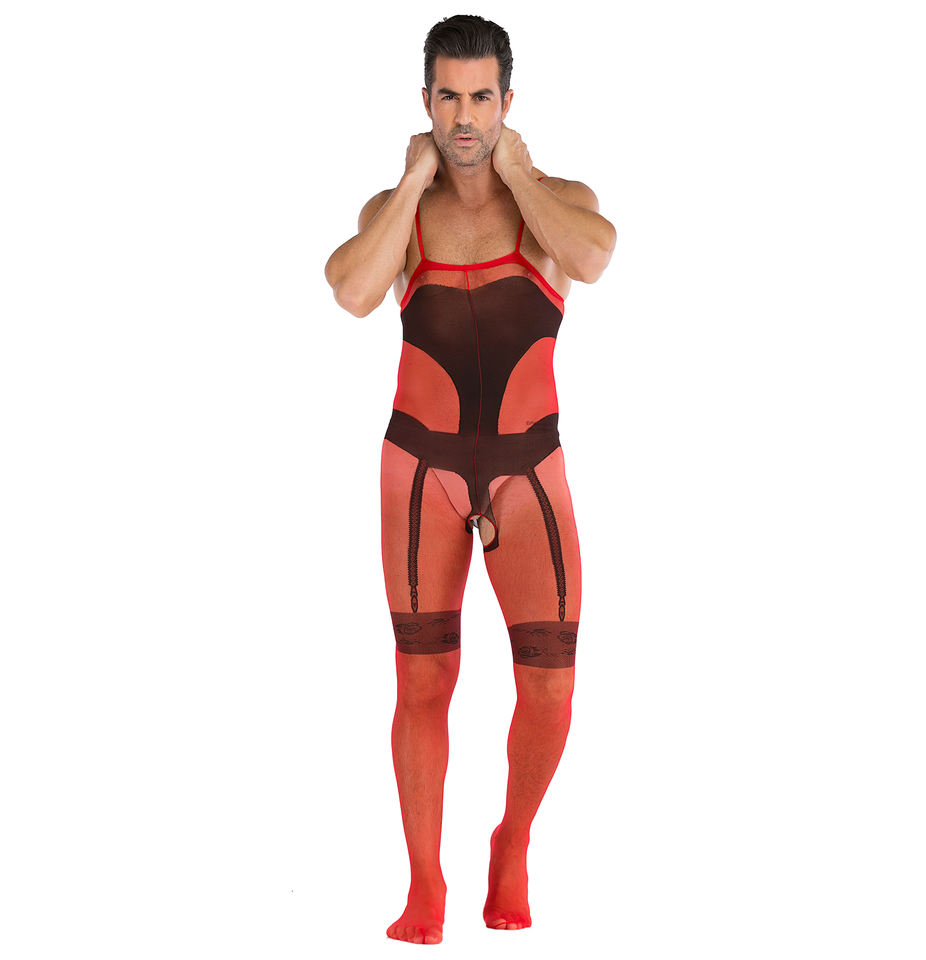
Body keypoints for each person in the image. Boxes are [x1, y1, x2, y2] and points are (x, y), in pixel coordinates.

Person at [324, 14, 616, 945]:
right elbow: (351, 292)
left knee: (552, 690)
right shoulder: (399, 212)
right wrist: (413, 182)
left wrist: (519, 176)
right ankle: (424, 883)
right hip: (420, 470)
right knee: (423, 681)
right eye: (447, 96)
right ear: (425, 102)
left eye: (480, 97)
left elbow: (594, 257)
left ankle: (512, 840)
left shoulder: (555, 201)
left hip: (532, 469)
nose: (463, 117)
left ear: (506, 102)